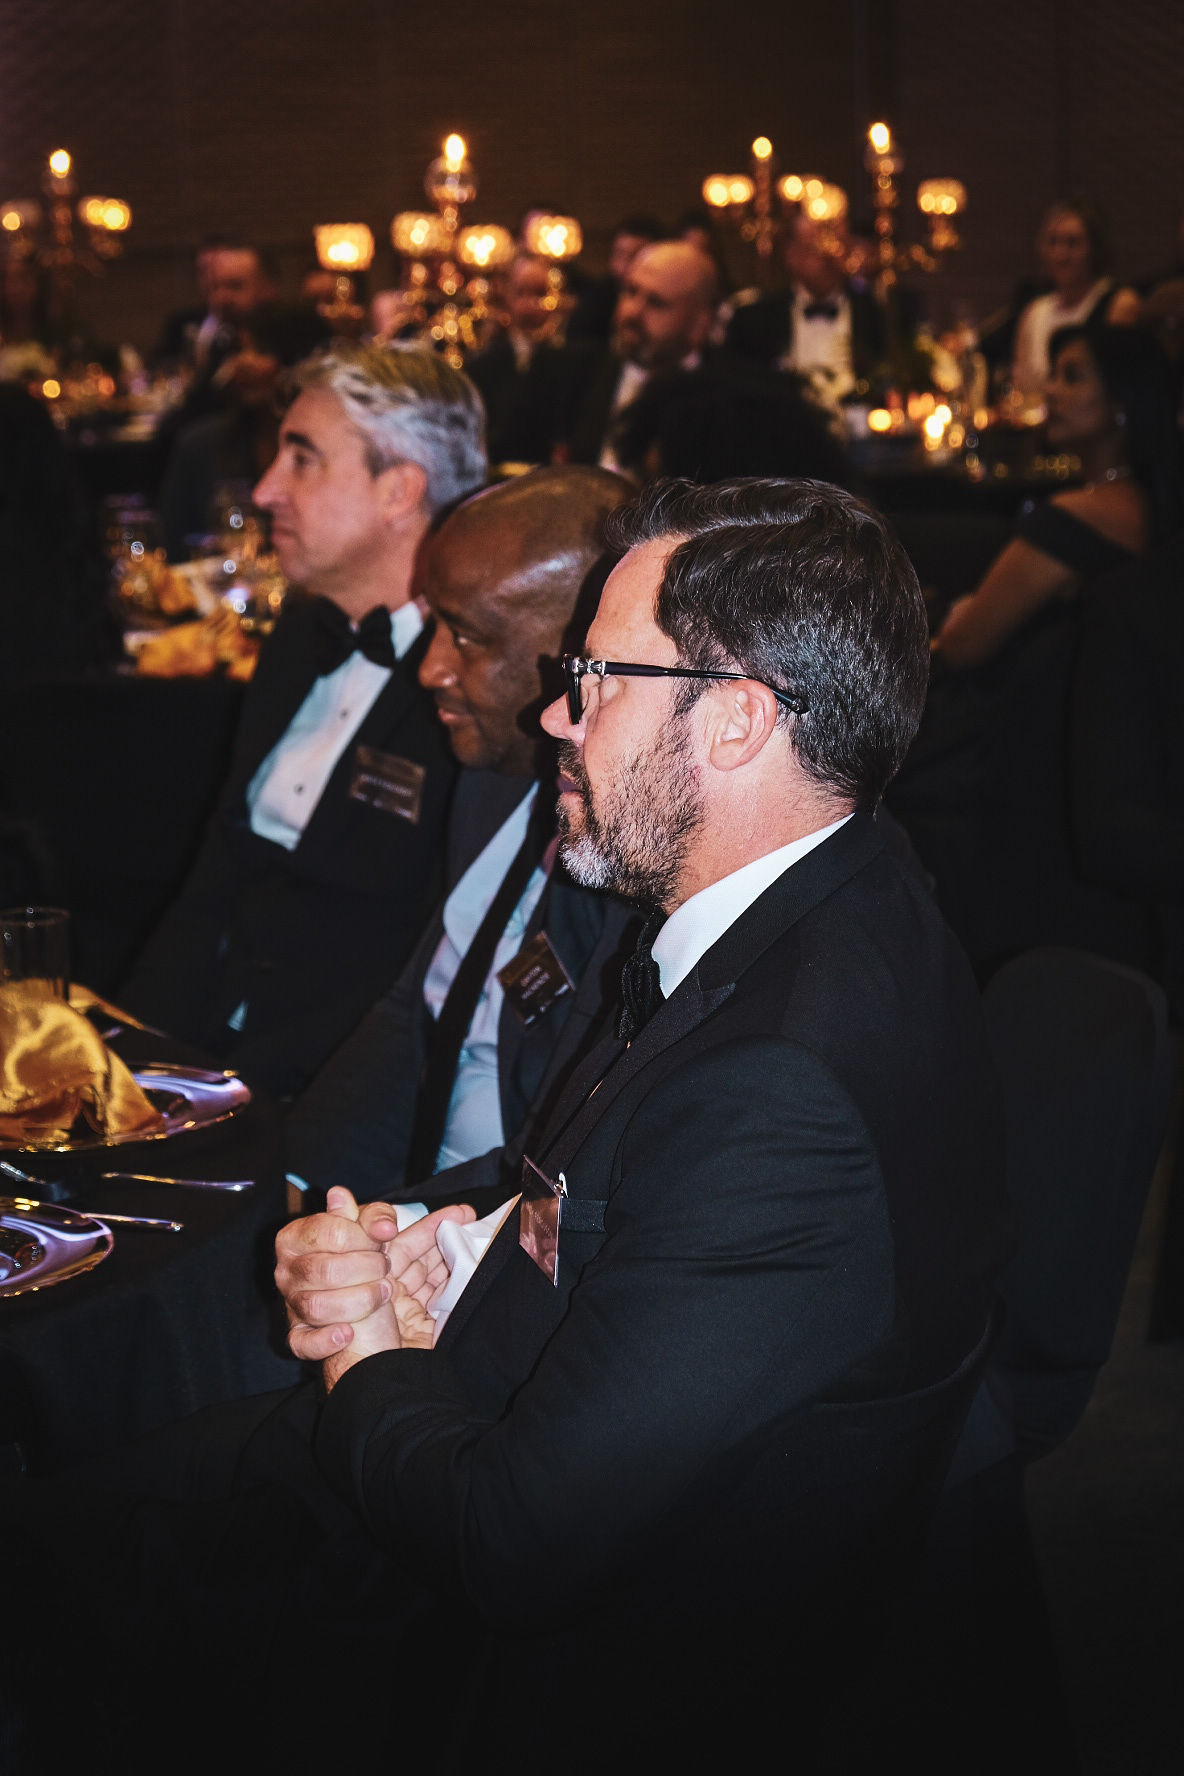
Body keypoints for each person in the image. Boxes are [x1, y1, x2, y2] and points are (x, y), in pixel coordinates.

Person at [0, 474, 1006, 1774]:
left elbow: (508, 1545)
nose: (553, 715)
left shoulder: (783, 1089)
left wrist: (367, 1344)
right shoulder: (834, 890)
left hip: (531, 1654)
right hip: (488, 1412)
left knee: (50, 1562)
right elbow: (605, 1179)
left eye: (595, 679)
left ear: (739, 720)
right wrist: (447, 1234)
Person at [118, 341, 487, 1096]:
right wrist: (127, 1056)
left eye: (303, 459)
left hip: (322, 1096)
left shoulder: (474, 688)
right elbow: (213, 877)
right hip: (198, 1055)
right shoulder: (297, 637)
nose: (265, 490)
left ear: (398, 490)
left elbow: (420, 977)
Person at [283, 464, 637, 1210]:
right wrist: (298, 1185)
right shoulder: (490, 778)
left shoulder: (637, 850)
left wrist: (395, 1229)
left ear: (581, 646)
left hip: (498, 1230)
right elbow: (414, 1008)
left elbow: (566, 1156)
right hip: (402, 1201)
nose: (430, 668)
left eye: (467, 637)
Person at [933, 324, 1181, 669]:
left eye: (1073, 377)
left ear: (1121, 401)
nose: (1050, 390)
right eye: (1053, 376)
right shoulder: (1142, 500)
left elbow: (963, 645)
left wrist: (959, 618)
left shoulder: (1080, 515)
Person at [158, 300, 334, 561]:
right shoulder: (200, 446)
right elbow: (177, 552)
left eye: (261, 351)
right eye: (239, 350)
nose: (243, 363)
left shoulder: (333, 449)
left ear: (301, 363)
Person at [557, 239, 723, 467]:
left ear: (699, 324)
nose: (632, 312)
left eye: (656, 303)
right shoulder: (573, 372)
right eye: (630, 291)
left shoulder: (732, 405)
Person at [725, 202, 886, 403]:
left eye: (836, 246)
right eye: (814, 247)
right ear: (791, 254)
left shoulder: (877, 314)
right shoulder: (755, 319)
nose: (827, 257)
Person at [1008, 200, 1140, 404]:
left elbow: (1114, 385)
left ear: (1095, 248)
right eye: (1053, 243)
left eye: (1073, 243)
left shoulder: (1118, 304)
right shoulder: (1034, 312)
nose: (1061, 255)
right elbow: (1021, 387)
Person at [464, 251, 567, 464]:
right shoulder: (484, 363)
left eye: (539, 294)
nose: (529, 305)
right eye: (521, 293)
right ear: (507, 296)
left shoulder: (568, 361)